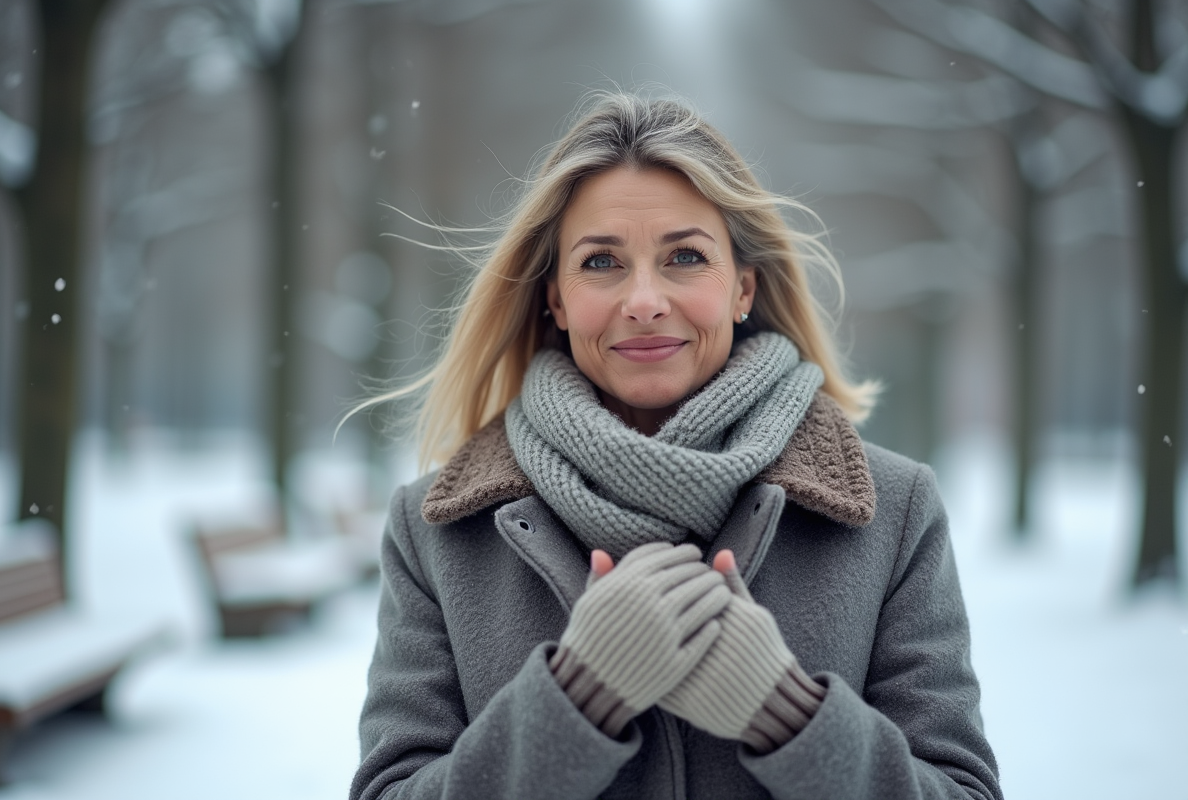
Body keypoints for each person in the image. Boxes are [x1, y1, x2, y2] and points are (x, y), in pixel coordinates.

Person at [350, 93, 1001, 800]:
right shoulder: (436, 533)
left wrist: (789, 716)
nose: (644, 300)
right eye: (602, 262)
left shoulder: (892, 511)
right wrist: (572, 702)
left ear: (742, 288)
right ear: (556, 300)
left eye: (685, 256)